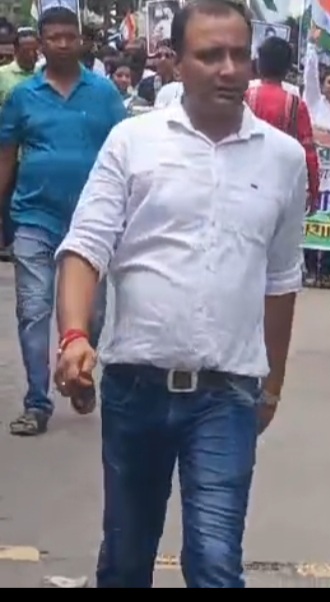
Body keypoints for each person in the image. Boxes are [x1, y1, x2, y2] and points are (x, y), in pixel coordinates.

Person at [54, 0, 305, 586]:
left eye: (239, 54)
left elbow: (281, 279)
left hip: (227, 395)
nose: (229, 68)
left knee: (215, 562)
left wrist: (271, 386)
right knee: (126, 559)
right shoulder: (132, 142)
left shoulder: (284, 159)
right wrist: (73, 336)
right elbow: (86, 246)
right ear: (178, 62)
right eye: (210, 55)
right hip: (134, 387)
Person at [0, 7, 125, 437]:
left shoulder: (105, 94)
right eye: (54, 37)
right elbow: (5, 158)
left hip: (92, 224)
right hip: (34, 218)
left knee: (92, 313)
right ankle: (37, 402)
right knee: (33, 310)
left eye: (70, 36)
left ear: (81, 40)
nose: (64, 44)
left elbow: (125, 156)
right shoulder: (22, 97)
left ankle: (80, 374)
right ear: (40, 43)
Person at [245, 36, 319, 213]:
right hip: (280, 186)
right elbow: (309, 152)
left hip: (244, 181)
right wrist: (314, 191)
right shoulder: (296, 105)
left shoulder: (244, 97)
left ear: (259, 64)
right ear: (287, 68)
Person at [0, 28, 38, 261]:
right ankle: (10, 241)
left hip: (33, 147)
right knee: (8, 193)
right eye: (26, 51)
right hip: (8, 147)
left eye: (35, 50)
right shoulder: (3, 75)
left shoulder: (42, 75)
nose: (32, 55)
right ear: (16, 51)